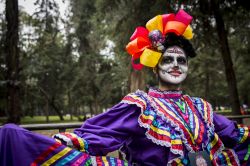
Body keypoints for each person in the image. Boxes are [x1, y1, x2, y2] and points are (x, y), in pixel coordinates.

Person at [0, 9, 249, 166]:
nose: (176, 65)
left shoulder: (201, 108)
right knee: (12, 136)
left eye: (181, 60)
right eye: (168, 59)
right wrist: (65, 141)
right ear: (154, 65)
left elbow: (235, 135)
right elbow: (98, 133)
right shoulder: (140, 106)